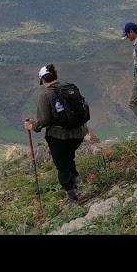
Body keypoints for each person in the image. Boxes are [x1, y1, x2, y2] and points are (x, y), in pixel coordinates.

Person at [24, 64, 88, 202]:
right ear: (55, 76)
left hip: (59, 137)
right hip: (79, 133)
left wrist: (32, 126)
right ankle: (79, 183)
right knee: (69, 158)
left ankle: (72, 197)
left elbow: (44, 120)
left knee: (62, 165)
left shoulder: (46, 95)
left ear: (42, 80)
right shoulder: (70, 88)